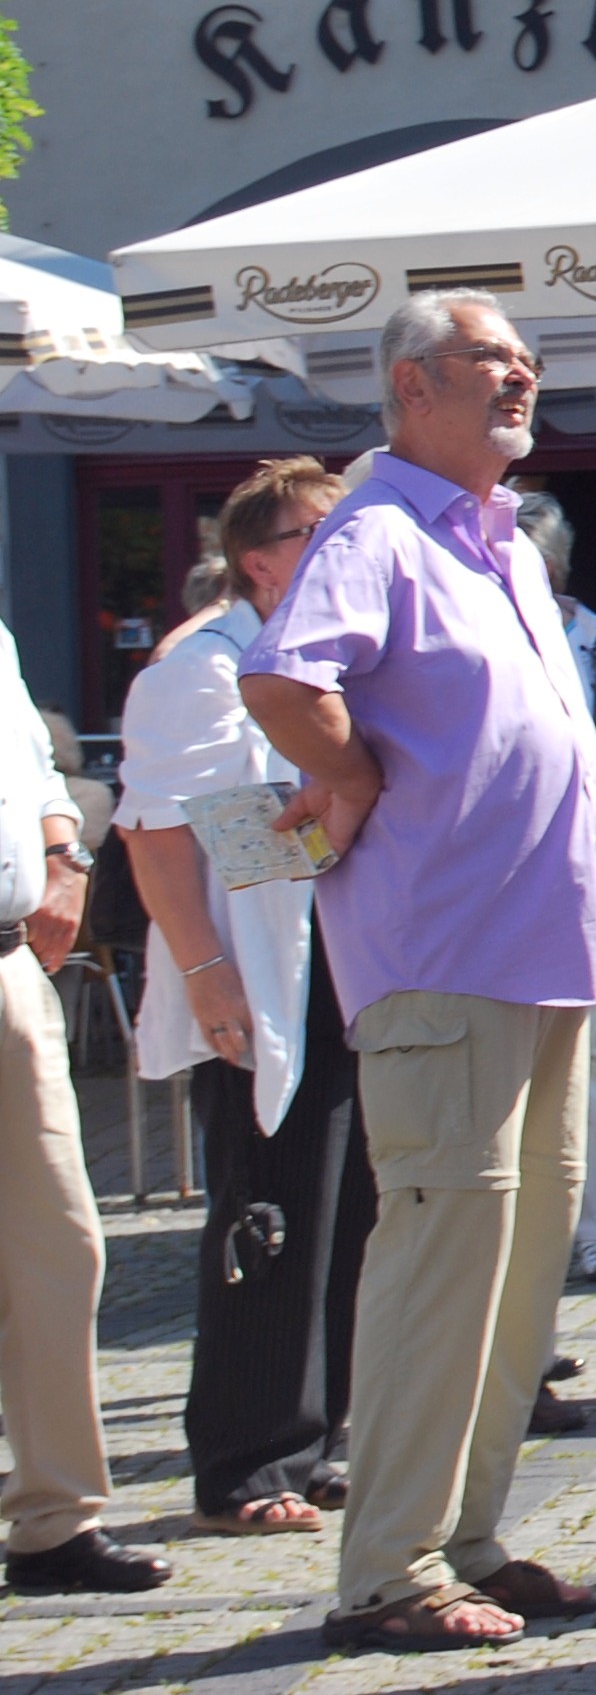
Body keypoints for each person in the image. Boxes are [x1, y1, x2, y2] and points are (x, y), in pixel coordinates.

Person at [241, 294, 596, 1650]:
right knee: (443, 1256)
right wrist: (355, 773)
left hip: (542, 951)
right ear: (411, 386)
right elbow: (284, 684)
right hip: (444, 951)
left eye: (526, 360)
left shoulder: (496, 535)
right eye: (488, 360)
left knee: (516, 1272)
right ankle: (390, 1570)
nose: (520, 376)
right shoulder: (379, 526)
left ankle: (466, 1535)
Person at [120, 457, 372, 1536]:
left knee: (351, 1208)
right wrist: (206, 975)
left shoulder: (328, 658)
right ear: (261, 561)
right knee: (270, 1211)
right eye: (318, 534)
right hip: (258, 974)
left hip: (345, 955)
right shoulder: (199, 668)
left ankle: (326, 1436)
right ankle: (247, 1459)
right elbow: (155, 835)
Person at [0, 610, 167, 1599]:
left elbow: (31, 766)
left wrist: (64, 859)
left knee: (58, 1248)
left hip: (10, 965)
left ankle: (55, 1520)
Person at [520, 491, 596, 1286]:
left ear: (556, 568)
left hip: (592, 876)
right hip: (504, 883)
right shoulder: (483, 641)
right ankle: (524, 1233)